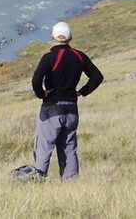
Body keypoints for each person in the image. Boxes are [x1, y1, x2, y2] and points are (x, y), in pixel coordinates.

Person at [29, 20, 104, 180]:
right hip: (71, 110)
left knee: (44, 148)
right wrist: (81, 92)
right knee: (69, 149)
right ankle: (71, 185)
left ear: (53, 37)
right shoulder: (79, 56)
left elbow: (36, 81)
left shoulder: (49, 57)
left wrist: (42, 95)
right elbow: (97, 77)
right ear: (70, 37)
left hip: (51, 109)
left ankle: (38, 182)